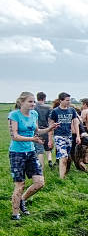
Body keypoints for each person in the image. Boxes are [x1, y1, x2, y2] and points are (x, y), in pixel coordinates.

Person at [8, 92, 58, 220]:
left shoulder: (34, 114)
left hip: (30, 152)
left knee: (40, 182)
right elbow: (15, 136)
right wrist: (32, 139)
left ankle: (22, 200)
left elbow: (37, 131)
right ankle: (15, 214)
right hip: (17, 153)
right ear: (21, 102)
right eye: (30, 101)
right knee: (20, 184)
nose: (33, 104)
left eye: (34, 101)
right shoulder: (14, 115)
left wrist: (49, 128)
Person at [48, 92, 80, 179]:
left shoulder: (72, 110)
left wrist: (78, 136)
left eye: (69, 100)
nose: (69, 102)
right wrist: (50, 140)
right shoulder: (55, 111)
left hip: (69, 136)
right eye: (67, 100)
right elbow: (50, 126)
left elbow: (75, 123)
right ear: (61, 100)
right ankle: (61, 178)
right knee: (63, 156)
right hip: (59, 136)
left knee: (66, 157)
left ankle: (64, 174)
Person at [34, 92, 53, 170]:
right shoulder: (49, 107)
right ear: (44, 98)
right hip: (46, 129)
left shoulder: (33, 107)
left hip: (37, 130)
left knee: (39, 150)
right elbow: (50, 120)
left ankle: (41, 168)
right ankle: (49, 160)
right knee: (48, 148)